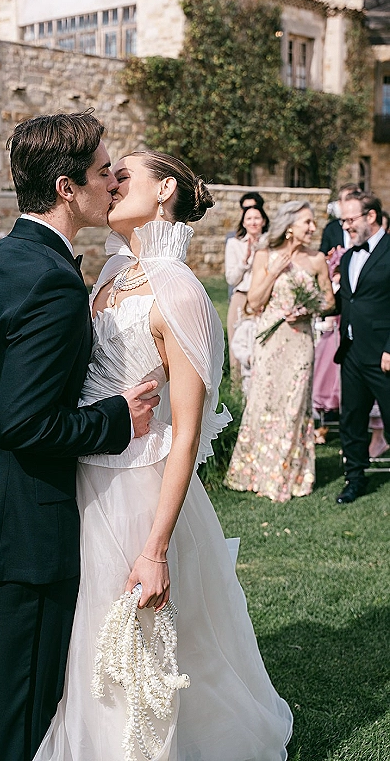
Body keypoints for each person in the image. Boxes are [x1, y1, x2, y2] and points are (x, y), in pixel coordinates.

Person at [0, 112, 158, 761]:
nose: (114, 182)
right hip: (24, 531)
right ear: (67, 186)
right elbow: (27, 422)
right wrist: (114, 417)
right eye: (104, 171)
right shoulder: (51, 280)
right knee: (19, 715)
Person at [31, 150, 292, 761]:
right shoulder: (109, 272)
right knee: (82, 641)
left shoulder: (180, 291)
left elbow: (186, 434)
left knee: (142, 648)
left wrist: (154, 549)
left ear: (165, 187)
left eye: (125, 174)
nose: (111, 183)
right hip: (82, 479)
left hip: (141, 494)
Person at [225, 201, 334, 502]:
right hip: (270, 341)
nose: (313, 228)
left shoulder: (317, 260)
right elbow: (253, 304)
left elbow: (329, 300)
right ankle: (254, 473)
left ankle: (288, 477)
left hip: (300, 343)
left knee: (294, 406)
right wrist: (274, 270)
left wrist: (309, 307)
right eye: (307, 222)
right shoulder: (265, 255)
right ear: (289, 226)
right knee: (264, 402)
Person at [334, 191, 390, 503]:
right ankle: (354, 479)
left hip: (383, 353)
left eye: (350, 220)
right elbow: (348, 301)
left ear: (371, 216)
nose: (346, 226)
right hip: (351, 351)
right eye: (343, 221)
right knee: (351, 420)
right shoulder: (346, 256)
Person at [225, 204, 269, 384]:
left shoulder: (269, 244)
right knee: (238, 344)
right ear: (243, 222)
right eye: (249, 218)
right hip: (241, 296)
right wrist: (245, 260)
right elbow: (231, 279)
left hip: (263, 297)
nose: (253, 222)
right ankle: (237, 389)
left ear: (264, 221)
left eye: (257, 218)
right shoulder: (234, 244)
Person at [319, 182, 360, 255]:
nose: (352, 204)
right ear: (339, 203)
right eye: (348, 200)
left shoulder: (366, 227)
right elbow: (323, 254)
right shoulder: (331, 228)